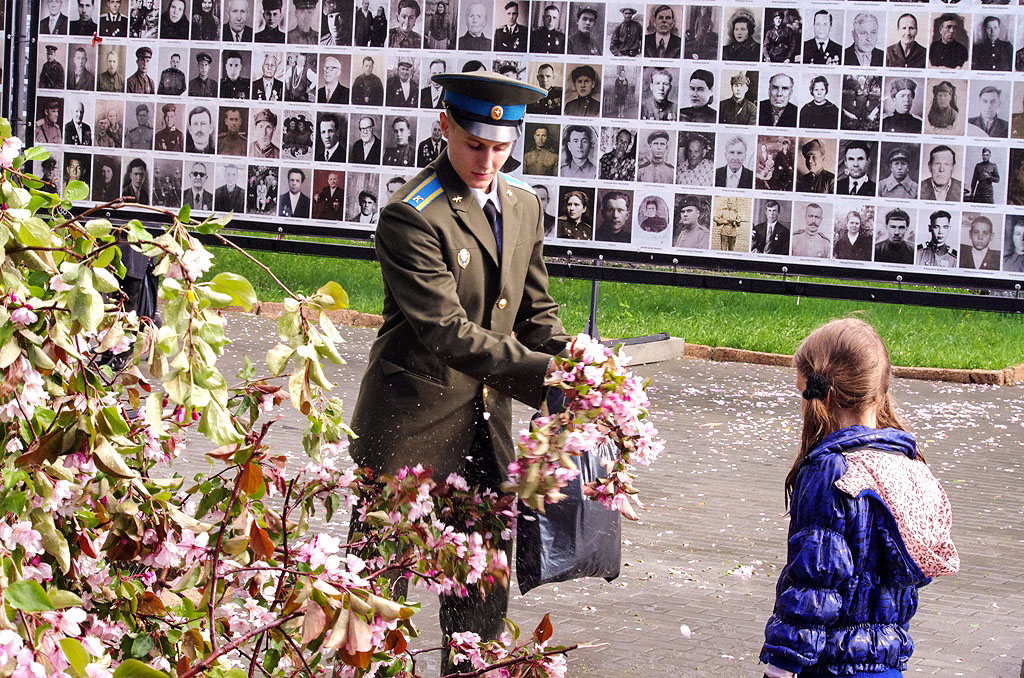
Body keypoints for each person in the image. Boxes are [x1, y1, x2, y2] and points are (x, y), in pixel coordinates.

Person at [349, 71, 569, 676]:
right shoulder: (410, 216)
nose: (487, 159)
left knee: (480, 610)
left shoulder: (523, 205)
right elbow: (446, 331)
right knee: (370, 606)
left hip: (485, 437)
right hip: (409, 436)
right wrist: (551, 376)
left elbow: (535, 315)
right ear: (445, 126)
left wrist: (579, 361)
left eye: (501, 147)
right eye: (475, 143)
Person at [760, 318, 958, 676]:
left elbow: (815, 584)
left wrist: (780, 668)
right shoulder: (908, 464)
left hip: (830, 665)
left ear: (822, 394)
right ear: (879, 389)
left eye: (801, 391)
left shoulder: (832, 471)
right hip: (886, 664)